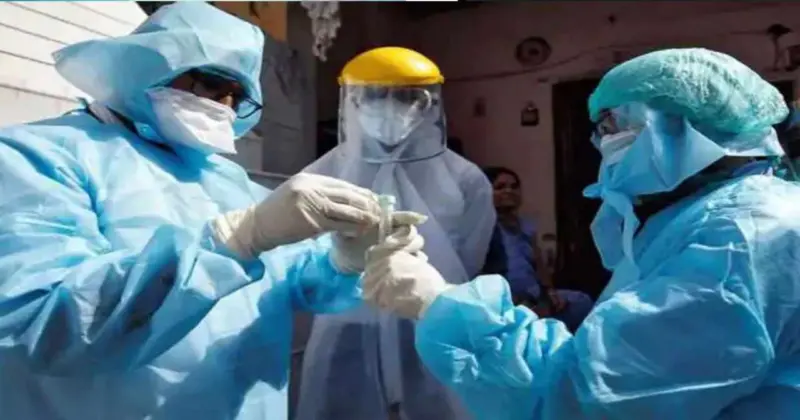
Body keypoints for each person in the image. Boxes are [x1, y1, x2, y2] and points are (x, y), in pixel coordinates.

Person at [0, 3, 422, 419]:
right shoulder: (38, 157)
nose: (223, 104)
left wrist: (344, 260)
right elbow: (42, 324)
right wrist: (232, 242)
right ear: (146, 65)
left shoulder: (226, 178)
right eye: (210, 84)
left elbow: (290, 278)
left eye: (238, 97)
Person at [361, 48, 800, 419]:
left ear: (680, 126)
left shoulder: (743, 237)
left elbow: (587, 393)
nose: (601, 143)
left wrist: (440, 305)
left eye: (612, 127)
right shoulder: (702, 215)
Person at [295, 47, 496, 420]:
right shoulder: (320, 176)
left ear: (429, 103)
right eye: (375, 95)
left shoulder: (465, 179)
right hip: (346, 326)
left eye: (405, 96)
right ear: (352, 101)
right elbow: (302, 265)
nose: (389, 107)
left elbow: (471, 258)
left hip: (432, 320)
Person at [483, 166, 593, 331]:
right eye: (500, 187)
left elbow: (540, 266)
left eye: (514, 186)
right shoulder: (484, 228)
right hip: (504, 299)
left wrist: (549, 293)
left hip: (534, 294)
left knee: (580, 302)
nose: (509, 191)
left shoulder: (525, 227)